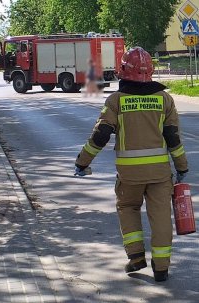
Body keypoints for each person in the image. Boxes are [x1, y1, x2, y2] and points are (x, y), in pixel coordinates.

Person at [74, 47, 188, 282]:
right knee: (161, 218)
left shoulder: (116, 100)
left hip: (129, 176)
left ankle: (136, 256)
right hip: (159, 174)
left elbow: (101, 135)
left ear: (123, 70)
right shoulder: (164, 99)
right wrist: (182, 167)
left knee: (127, 209)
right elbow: (173, 138)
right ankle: (162, 268)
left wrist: (82, 163)